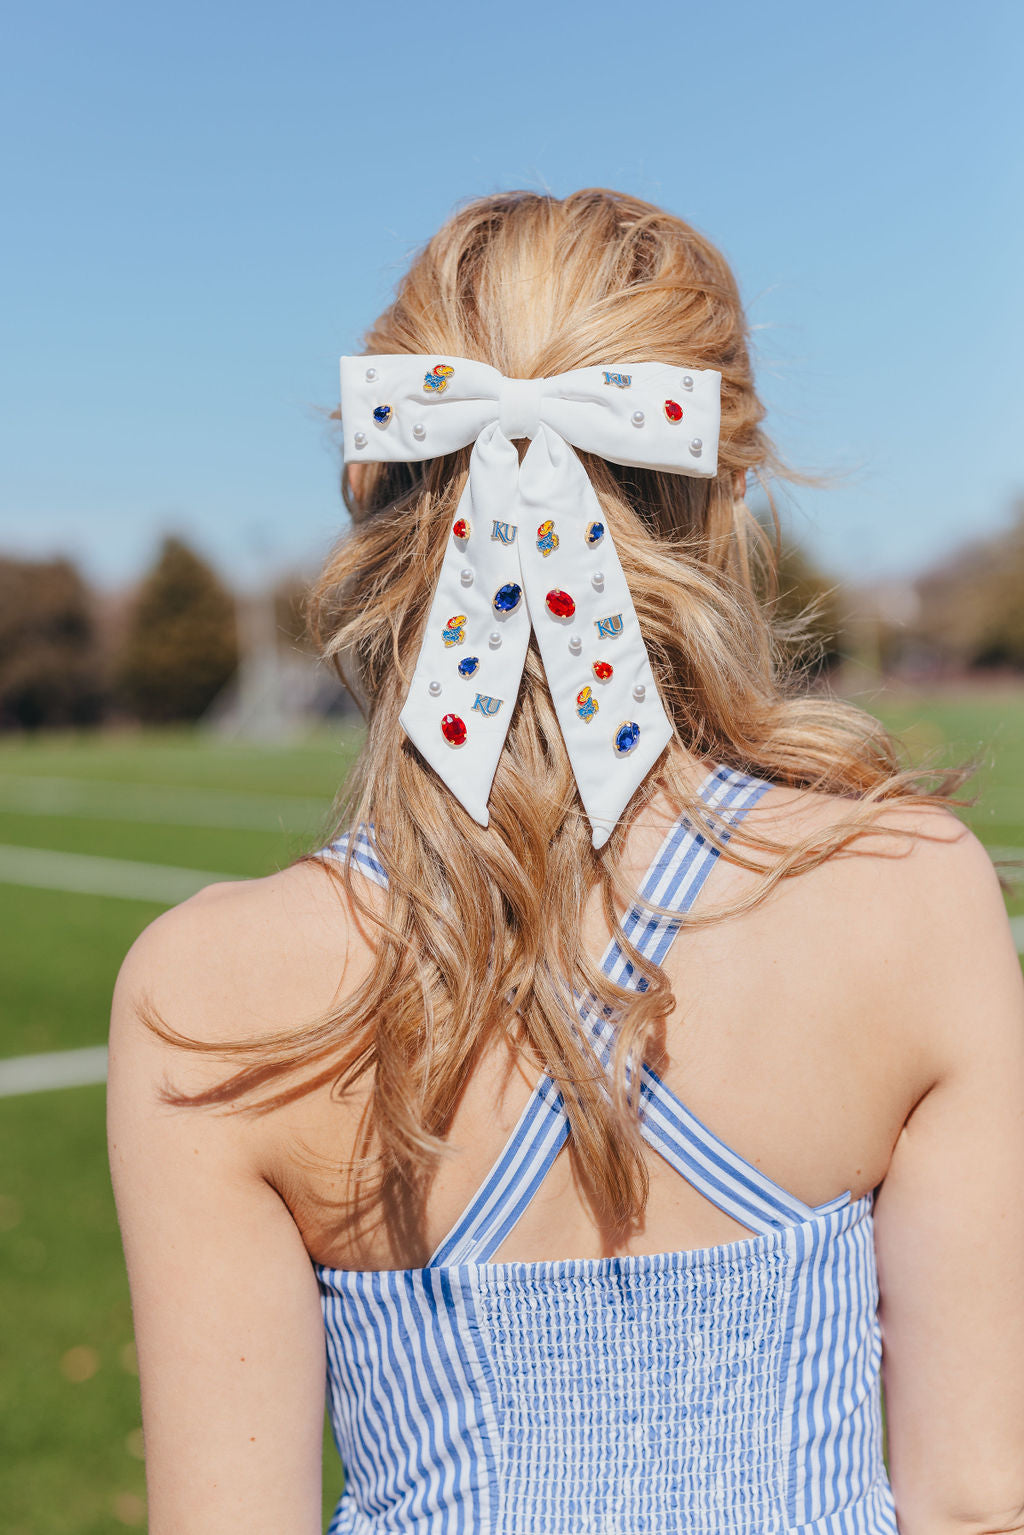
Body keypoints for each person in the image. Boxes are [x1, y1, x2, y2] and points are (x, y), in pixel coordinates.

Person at [108, 189, 1024, 1535]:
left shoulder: (205, 994)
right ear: (729, 497)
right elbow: (975, 1500)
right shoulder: (915, 899)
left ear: (387, 485)